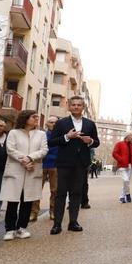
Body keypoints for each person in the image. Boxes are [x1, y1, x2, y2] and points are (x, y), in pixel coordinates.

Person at [48, 96, 99, 235]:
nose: (76, 107)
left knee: (76, 193)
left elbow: (97, 142)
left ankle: (73, 222)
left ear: (83, 107)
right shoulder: (61, 123)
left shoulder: (90, 124)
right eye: (74, 105)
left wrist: (90, 141)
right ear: (69, 107)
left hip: (81, 164)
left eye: (79, 105)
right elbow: (51, 142)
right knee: (61, 193)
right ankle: (57, 224)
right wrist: (66, 137)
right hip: (64, 163)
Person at [0, 110, 48, 241]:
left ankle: (22, 228)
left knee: (27, 201)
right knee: (13, 201)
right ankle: (9, 229)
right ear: (25, 118)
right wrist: (23, 160)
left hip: (32, 170)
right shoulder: (13, 133)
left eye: (37, 117)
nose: (36, 119)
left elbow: (44, 150)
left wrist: (30, 158)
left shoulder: (41, 134)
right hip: (16, 170)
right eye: (34, 117)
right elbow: (10, 149)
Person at [30, 116, 59, 221]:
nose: (53, 124)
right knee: (37, 189)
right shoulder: (41, 135)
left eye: (56, 122)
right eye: (51, 122)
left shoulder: (62, 136)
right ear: (47, 124)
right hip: (41, 165)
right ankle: (34, 212)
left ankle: (53, 211)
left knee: (55, 191)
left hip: (55, 166)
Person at [112, 133, 132, 204]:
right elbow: (114, 153)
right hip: (122, 165)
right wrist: (121, 159)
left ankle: (122, 197)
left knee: (126, 182)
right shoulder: (119, 144)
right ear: (127, 136)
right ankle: (127, 194)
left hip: (130, 166)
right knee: (126, 180)